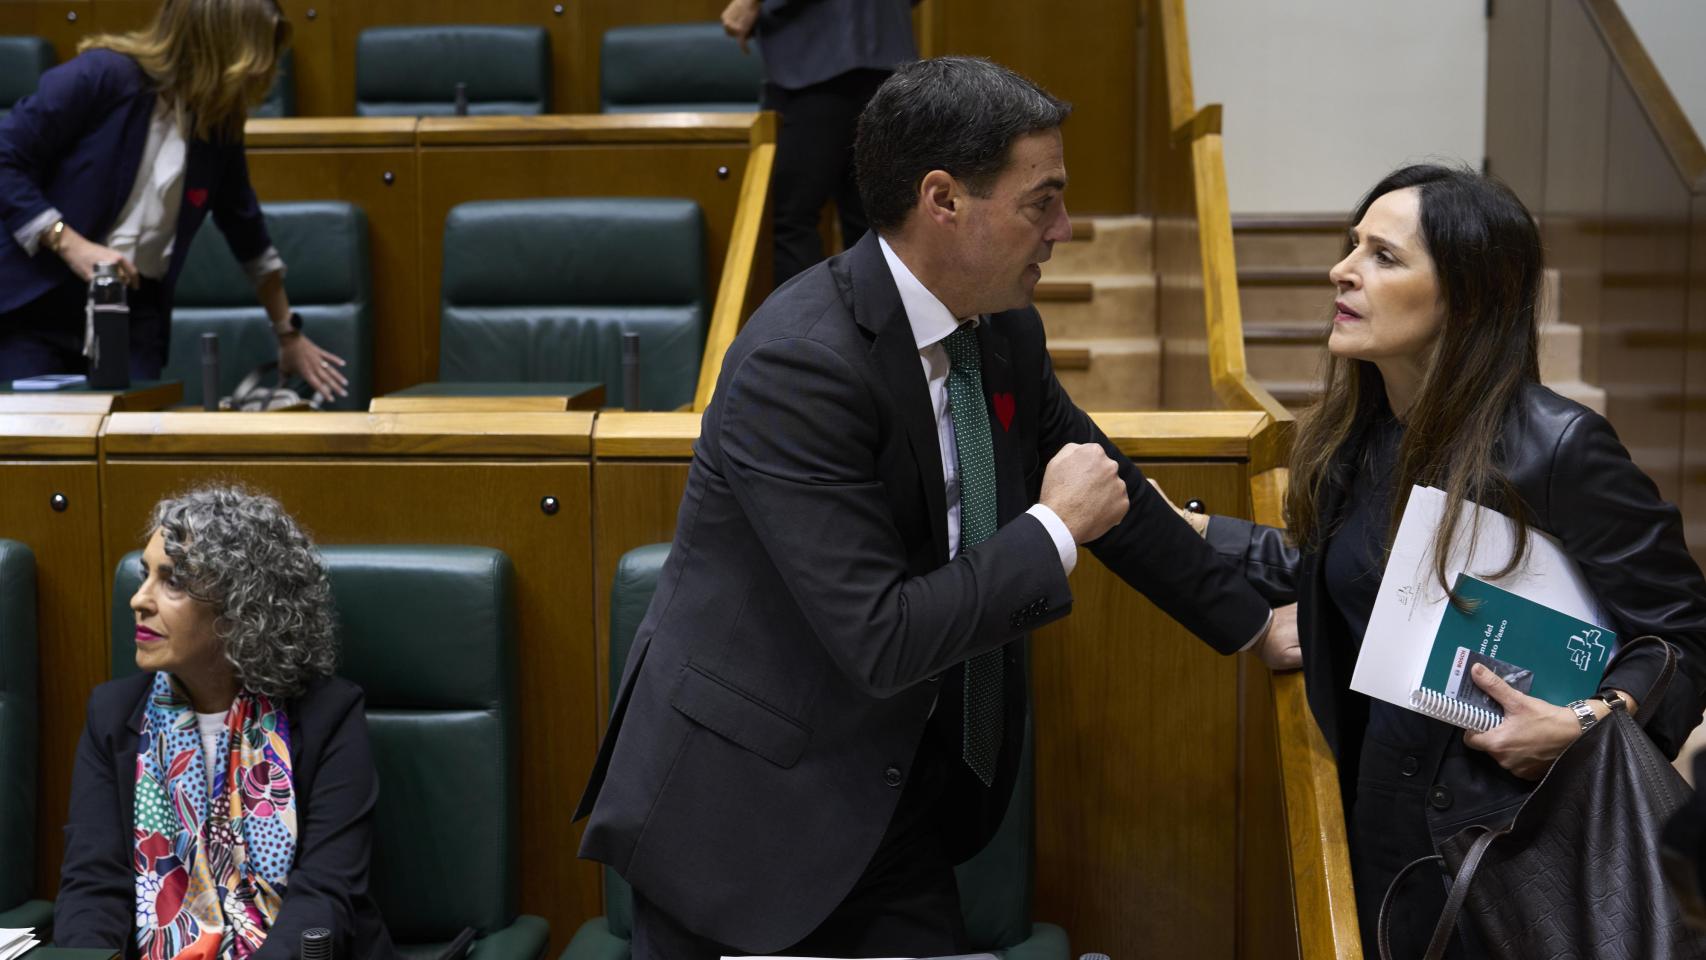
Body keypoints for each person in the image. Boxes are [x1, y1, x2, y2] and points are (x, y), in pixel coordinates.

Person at [575, 56, 1296, 959]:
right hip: (742, 817)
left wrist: (1252, 625)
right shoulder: (798, 365)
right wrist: (1051, 530)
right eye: (1043, 202)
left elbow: (1102, 484)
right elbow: (881, 635)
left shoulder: (1000, 328)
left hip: (890, 798)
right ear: (943, 199)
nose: (1064, 230)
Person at [1166, 164, 1706, 957]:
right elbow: (1358, 580)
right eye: (1352, 246)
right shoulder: (1363, 434)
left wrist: (1588, 722)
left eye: (1383, 257)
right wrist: (1201, 536)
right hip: (1376, 822)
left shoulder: (1556, 447)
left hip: (1502, 850)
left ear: (1466, 294)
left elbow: (1687, 637)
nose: (1341, 270)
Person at [55, 486, 397, 958]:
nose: (138, 599)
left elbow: (324, 894)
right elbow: (93, 888)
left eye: (172, 581)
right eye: (145, 575)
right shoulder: (111, 716)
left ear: (242, 611)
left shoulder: (328, 716)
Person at [0, 0, 348, 399]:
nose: (265, 68)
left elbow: (246, 229)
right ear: (217, 43)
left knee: (134, 446)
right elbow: (5, 157)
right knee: (40, 446)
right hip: (36, 306)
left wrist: (288, 334)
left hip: (133, 318)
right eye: (257, 50)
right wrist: (70, 242)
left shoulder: (219, 121)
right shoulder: (101, 76)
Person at [720, 0, 917, 287]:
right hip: (886, 52)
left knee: (793, 219)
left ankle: (806, 329)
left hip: (815, 60)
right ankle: (880, 329)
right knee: (874, 219)